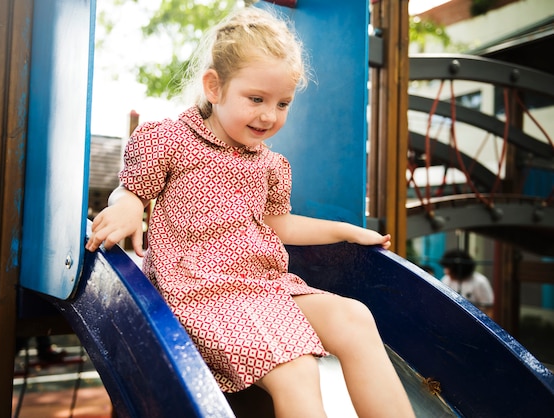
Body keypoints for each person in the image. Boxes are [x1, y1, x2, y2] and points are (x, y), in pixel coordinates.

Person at [86, 7, 414, 417]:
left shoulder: (268, 164)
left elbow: (278, 223)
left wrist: (344, 230)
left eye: (282, 103)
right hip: (198, 292)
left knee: (354, 317)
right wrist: (132, 204)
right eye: (256, 99)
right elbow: (130, 189)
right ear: (214, 87)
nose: (268, 115)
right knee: (296, 369)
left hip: (261, 286)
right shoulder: (171, 139)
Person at [440, 249, 494, 317]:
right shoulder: (446, 280)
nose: (446, 272)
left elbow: (489, 309)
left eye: (448, 268)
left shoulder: (480, 282)